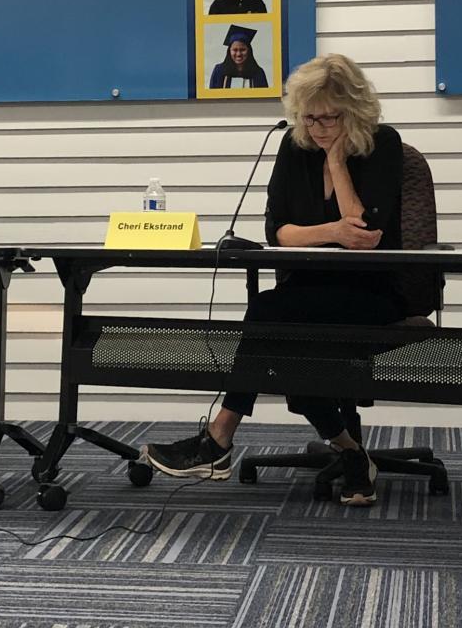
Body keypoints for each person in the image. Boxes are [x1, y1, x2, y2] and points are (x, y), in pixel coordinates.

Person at [143, 53, 405, 507]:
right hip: (305, 292)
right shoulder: (292, 147)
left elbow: (363, 235)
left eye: (330, 118)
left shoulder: (384, 145)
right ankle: (352, 454)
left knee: (269, 315)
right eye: (310, 117)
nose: (319, 128)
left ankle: (219, 438)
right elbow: (276, 230)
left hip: (374, 293)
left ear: (355, 111)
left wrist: (338, 163)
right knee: (284, 340)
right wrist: (331, 233)